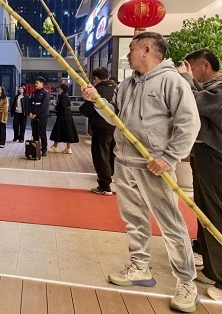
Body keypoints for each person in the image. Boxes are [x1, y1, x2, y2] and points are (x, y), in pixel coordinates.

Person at [81, 32, 200, 312]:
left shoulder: (172, 81)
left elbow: (189, 123)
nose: (127, 54)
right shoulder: (127, 84)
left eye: (132, 49)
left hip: (154, 165)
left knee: (170, 224)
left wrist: (169, 157)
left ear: (147, 50)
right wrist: (97, 101)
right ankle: (139, 267)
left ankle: (186, 282)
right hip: (125, 162)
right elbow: (115, 118)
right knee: (134, 220)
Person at [177, 49, 222, 301]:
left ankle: (221, 277)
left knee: (214, 213)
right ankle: (212, 268)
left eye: (191, 68)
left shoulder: (219, 88)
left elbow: (196, 102)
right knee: (205, 210)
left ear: (205, 65)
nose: (189, 72)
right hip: (206, 155)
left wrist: (185, 79)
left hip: (216, 157)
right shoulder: (210, 87)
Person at [80, 67, 117, 196]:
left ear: (96, 78)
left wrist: (87, 99)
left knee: (101, 157)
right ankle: (114, 179)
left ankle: (104, 185)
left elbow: (86, 111)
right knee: (114, 155)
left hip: (101, 128)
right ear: (108, 76)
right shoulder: (118, 89)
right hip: (117, 128)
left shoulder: (96, 92)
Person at [48, 83, 79, 154]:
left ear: (62, 89)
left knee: (58, 130)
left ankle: (55, 147)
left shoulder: (62, 96)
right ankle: (68, 148)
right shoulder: (67, 95)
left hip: (62, 115)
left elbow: (61, 106)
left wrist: (56, 106)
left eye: (59, 88)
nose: (58, 89)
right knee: (68, 131)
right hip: (68, 115)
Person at [29, 76, 50, 156]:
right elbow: (31, 103)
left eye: (37, 83)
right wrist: (30, 112)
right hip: (34, 116)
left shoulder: (45, 93)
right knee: (35, 133)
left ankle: (44, 149)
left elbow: (43, 106)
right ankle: (36, 149)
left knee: (42, 133)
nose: (35, 84)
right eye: (35, 83)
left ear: (42, 83)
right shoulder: (34, 93)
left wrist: (36, 114)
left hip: (42, 117)